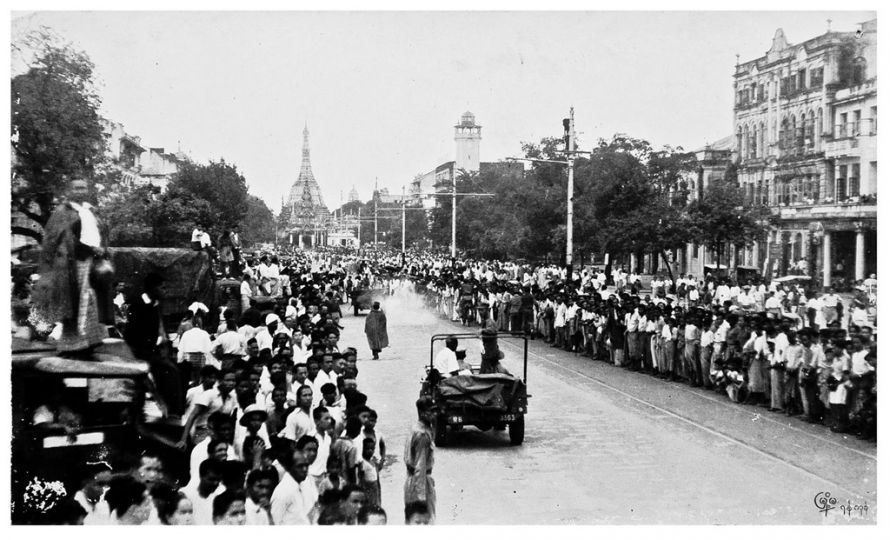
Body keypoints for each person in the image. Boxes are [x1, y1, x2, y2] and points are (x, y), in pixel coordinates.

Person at [32, 176, 110, 356]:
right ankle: (72, 345)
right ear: (69, 191)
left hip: (93, 261)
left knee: (91, 299)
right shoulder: (63, 211)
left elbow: (100, 232)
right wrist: (91, 249)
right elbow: (60, 240)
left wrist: (101, 250)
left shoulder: (90, 210)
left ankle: (90, 340)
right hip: (74, 262)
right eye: (76, 188)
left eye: (83, 188)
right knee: (76, 302)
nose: (80, 191)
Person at [404, 397, 436, 522]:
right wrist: (421, 496)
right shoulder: (422, 434)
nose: (434, 414)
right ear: (423, 413)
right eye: (431, 411)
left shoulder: (416, 427)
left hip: (412, 481)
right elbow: (420, 466)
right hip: (420, 484)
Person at [270, 449, 318, 525]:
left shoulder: (303, 485)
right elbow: (275, 522)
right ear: (289, 467)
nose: (305, 469)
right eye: (300, 466)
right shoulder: (283, 491)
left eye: (306, 465)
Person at [180, 459, 225, 525]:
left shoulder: (217, 499)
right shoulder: (185, 495)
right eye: (211, 479)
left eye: (218, 480)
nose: (215, 483)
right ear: (201, 476)